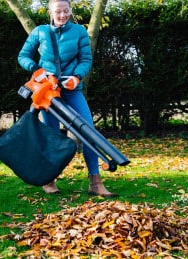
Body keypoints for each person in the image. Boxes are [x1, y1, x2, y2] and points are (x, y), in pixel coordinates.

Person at [18, 0, 117, 197]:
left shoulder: (79, 31)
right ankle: (50, 179)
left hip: (71, 91)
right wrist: (37, 70)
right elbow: (23, 56)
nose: (62, 15)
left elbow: (85, 59)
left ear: (70, 10)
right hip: (48, 92)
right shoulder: (40, 32)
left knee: (88, 132)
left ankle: (95, 183)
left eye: (66, 11)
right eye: (58, 11)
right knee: (51, 134)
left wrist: (76, 77)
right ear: (50, 12)